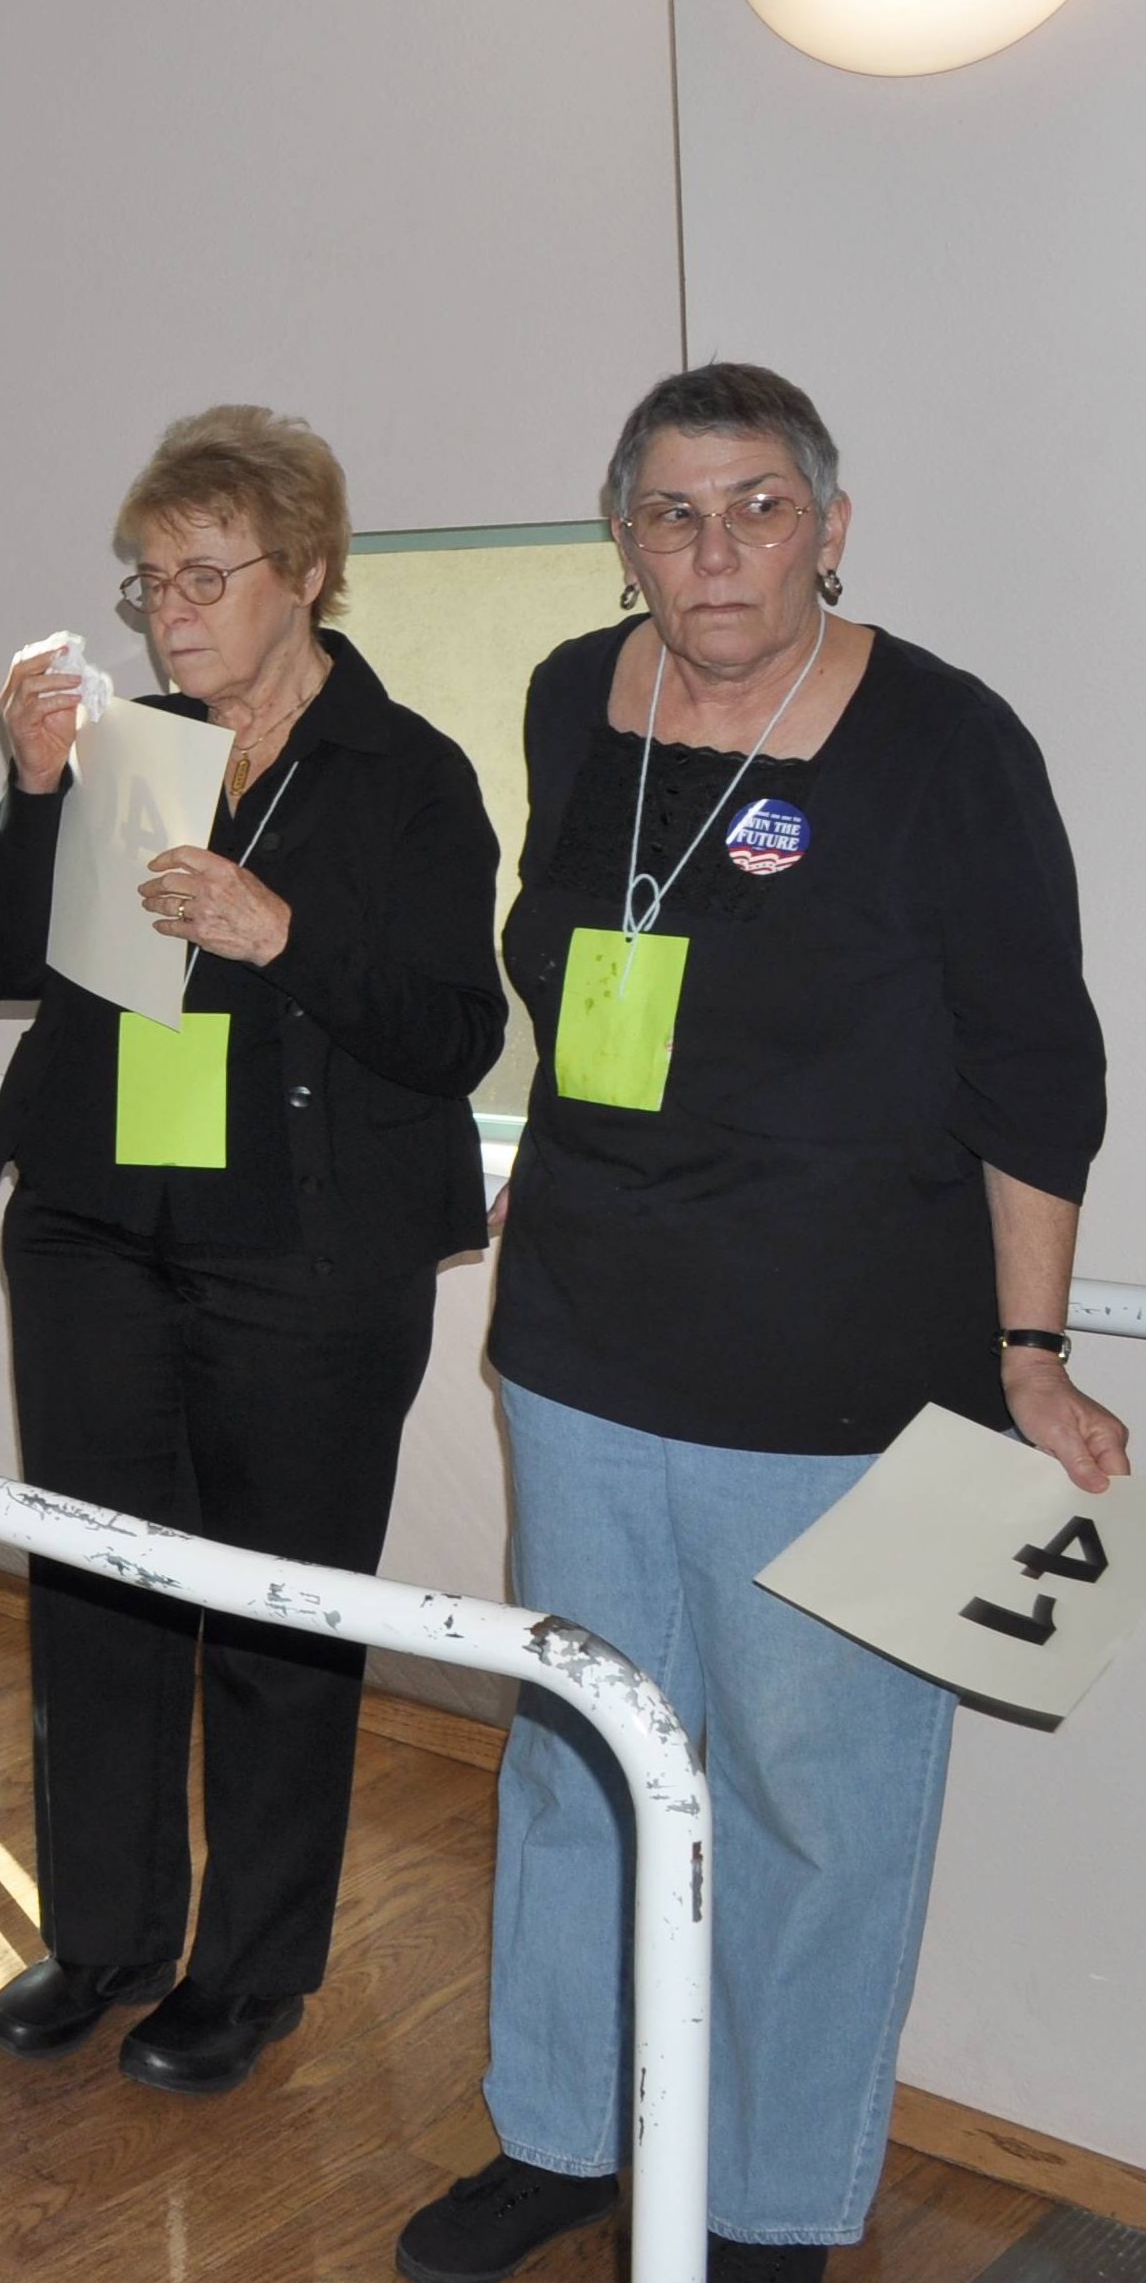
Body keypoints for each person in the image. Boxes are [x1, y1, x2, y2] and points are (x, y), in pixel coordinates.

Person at [397, 366, 1121, 2283]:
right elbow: (580, 970)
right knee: (576, 1760)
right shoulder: (575, 692)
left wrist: (1031, 1353)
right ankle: (562, 2132)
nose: (714, 551)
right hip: (582, 1345)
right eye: (672, 512)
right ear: (623, 535)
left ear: (830, 526)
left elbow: (1037, 1067)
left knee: (816, 1808)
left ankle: (770, 2203)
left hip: (838, 1379)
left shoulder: (946, 742)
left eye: (758, 508)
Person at [0, 406, 504, 2092]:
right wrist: (30, 788)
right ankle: (103, 1936)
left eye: (204, 575)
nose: (168, 612)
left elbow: (455, 1030)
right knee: (95, 1590)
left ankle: (249, 1973)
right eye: (147, 581)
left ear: (310, 571)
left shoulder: (406, 776)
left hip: (306, 1256)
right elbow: (1, 958)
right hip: (93, 1227)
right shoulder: (126, 751)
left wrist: (284, 935)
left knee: (277, 1620)